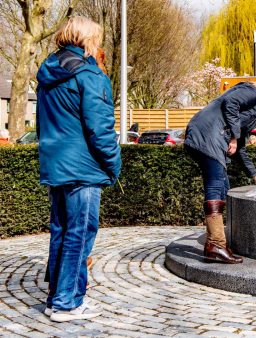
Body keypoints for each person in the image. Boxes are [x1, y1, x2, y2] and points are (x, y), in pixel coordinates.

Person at [36, 16, 120, 322]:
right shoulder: (89, 74)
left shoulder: (48, 73)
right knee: (80, 234)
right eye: (96, 37)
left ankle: (57, 297)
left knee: (61, 232)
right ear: (87, 38)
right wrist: (113, 165)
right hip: (83, 168)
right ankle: (66, 302)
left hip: (55, 164)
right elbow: (101, 129)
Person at [185, 81, 256, 264]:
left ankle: (213, 245)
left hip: (203, 136)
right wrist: (233, 136)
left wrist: (254, 175)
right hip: (209, 137)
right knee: (215, 186)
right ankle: (216, 244)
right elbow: (231, 104)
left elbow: (240, 147)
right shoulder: (254, 93)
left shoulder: (246, 107)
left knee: (222, 185)